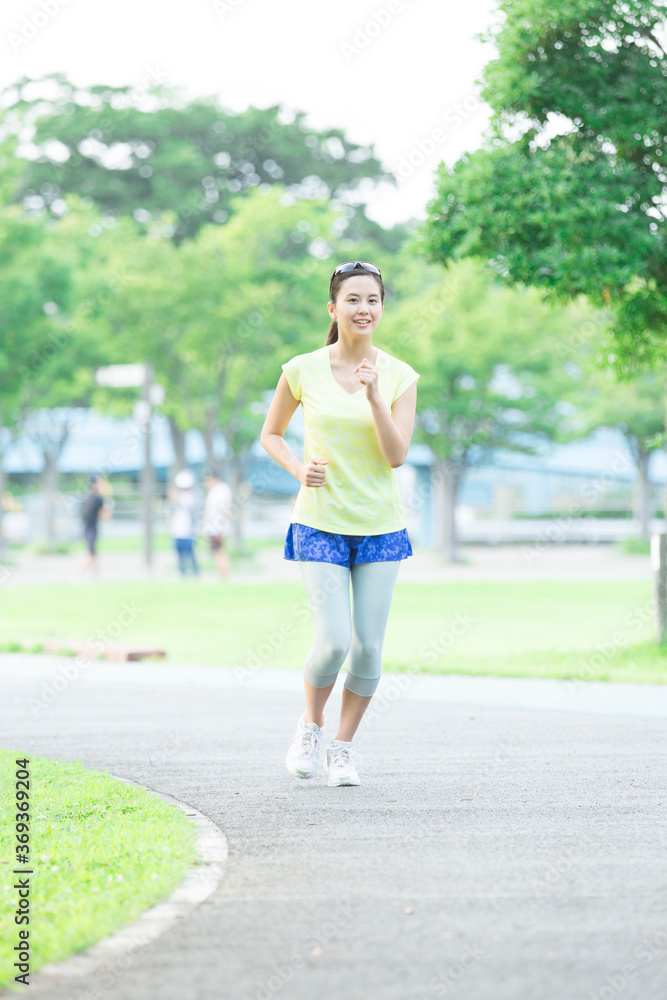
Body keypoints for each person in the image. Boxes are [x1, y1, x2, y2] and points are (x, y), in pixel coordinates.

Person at [260, 260, 420, 787]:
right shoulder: (301, 369)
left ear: (381, 308)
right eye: (353, 300)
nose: (364, 309)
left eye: (372, 299)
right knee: (333, 642)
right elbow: (272, 435)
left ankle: (343, 748)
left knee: (369, 647)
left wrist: (375, 395)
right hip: (321, 522)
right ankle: (310, 725)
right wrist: (296, 468)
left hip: (379, 526)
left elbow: (396, 456)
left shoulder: (398, 375)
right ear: (333, 309)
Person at [78, 475, 112, 580]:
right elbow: (105, 517)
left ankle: (95, 577)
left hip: (86, 528)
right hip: (92, 529)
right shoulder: (98, 498)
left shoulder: (87, 497)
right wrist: (109, 508)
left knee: (92, 554)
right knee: (90, 554)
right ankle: (77, 576)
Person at [168, 469, 200, 577]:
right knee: (179, 556)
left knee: (191, 555)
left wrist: (175, 497)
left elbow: (190, 506)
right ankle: (183, 574)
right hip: (177, 531)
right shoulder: (180, 496)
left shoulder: (193, 496)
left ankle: (195, 573)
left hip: (188, 532)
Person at [203, 468, 233, 581]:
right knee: (216, 552)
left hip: (218, 527)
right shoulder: (215, 490)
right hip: (214, 527)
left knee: (219, 552)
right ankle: (221, 576)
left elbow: (226, 509)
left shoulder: (222, 490)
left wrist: (222, 527)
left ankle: (223, 576)